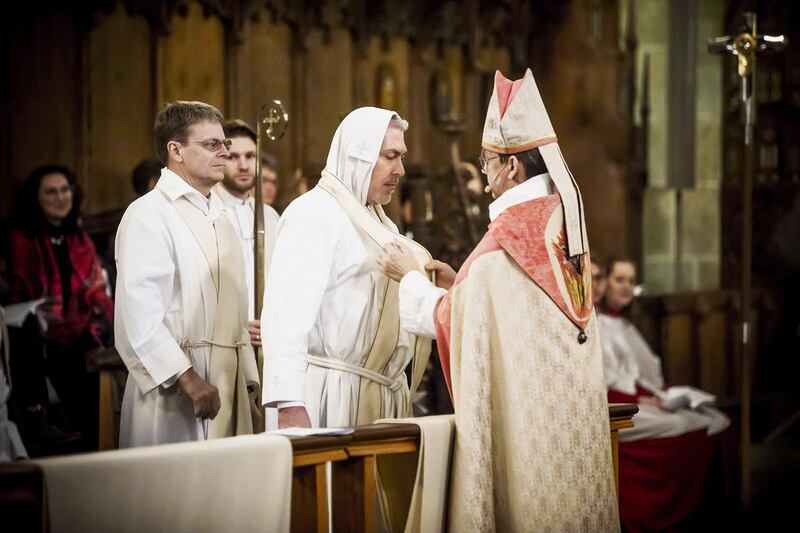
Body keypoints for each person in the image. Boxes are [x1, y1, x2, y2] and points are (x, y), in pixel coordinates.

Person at [378, 69, 619, 531]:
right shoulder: (561, 229)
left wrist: (411, 282)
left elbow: (463, 323)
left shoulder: (506, 247)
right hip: (568, 430)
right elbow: (516, 321)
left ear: (511, 167)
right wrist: (459, 286)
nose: (484, 171)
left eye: (486, 160)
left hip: (529, 439)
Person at [261, 107, 433, 429]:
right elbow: (285, 316)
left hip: (379, 394)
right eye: (390, 157)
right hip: (330, 394)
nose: (401, 170)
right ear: (359, 157)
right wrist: (288, 402)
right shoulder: (314, 214)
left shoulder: (383, 224)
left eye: (401, 157)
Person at [114, 101, 260, 447]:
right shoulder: (148, 214)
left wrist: (249, 385)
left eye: (224, 144)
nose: (224, 153)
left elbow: (236, 313)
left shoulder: (219, 214)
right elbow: (139, 316)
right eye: (212, 145)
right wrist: (189, 379)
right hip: (176, 393)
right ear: (175, 150)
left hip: (228, 382)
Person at [598, 257, 731, 531]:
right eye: (618, 279)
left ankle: (707, 506)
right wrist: (644, 397)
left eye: (631, 281)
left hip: (645, 397)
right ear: (605, 282)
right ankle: (677, 511)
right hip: (622, 403)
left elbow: (649, 372)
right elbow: (608, 378)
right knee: (686, 423)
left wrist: (663, 394)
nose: (625, 287)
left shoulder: (627, 325)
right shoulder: (597, 325)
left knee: (717, 418)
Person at [8, 165, 114, 451]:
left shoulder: (80, 240)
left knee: (92, 356)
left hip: (77, 334)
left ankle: (98, 446)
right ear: (37, 198)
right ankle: (40, 422)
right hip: (35, 336)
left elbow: (96, 291)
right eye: (51, 192)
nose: (60, 197)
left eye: (65, 190)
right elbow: (16, 294)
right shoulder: (21, 241)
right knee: (32, 338)